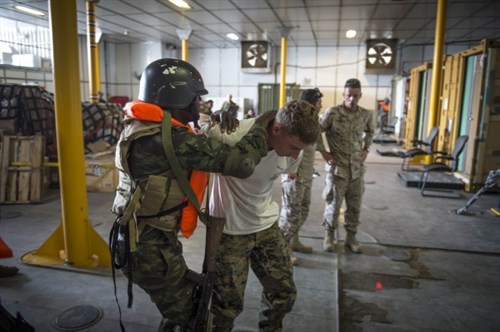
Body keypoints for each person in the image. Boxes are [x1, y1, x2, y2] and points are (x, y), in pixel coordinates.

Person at [110, 58, 276, 331]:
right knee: (196, 320)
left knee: (185, 307)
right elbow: (241, 164)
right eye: (196, 98)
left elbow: (191, 139)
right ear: (176, 97)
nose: (200, 104)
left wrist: (216, 119)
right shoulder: (171, 139)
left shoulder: (145, 126)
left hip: (142, 240)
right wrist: (260, 126)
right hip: (149, 250)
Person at [202, 100, 320, 331]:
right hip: (230, 232)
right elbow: (197, 131)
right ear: (276, 129)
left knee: (284, 293)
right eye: (294, 146)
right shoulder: (232, 135)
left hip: (265, 226)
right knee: (227, 306)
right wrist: (210, 119)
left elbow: (289, 168)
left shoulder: (293, 152)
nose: (297, 154)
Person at [317, 78, 374, 254]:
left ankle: (351, 238)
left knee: (354, 206)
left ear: (360, 95)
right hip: (337, 170)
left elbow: (370, 132)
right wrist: (324, 152)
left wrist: (366, 148)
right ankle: (329, 236)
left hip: (357, 170)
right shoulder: (332, 113)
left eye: (355, 96)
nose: (352, 100)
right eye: (349, 96)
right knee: (333, 206)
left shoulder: (365, 114)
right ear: (343, 94)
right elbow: (316, 131)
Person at [279, 88, 323, 265]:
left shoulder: (314, 122)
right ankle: (281, 251)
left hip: (306, 175)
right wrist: (290, 167)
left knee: (302, 210)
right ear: (311, 104)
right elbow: (283, 144)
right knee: (290, 215)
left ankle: (294, 241)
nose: (321, 106)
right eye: (319, 103)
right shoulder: (295, 120)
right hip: (294, 176)